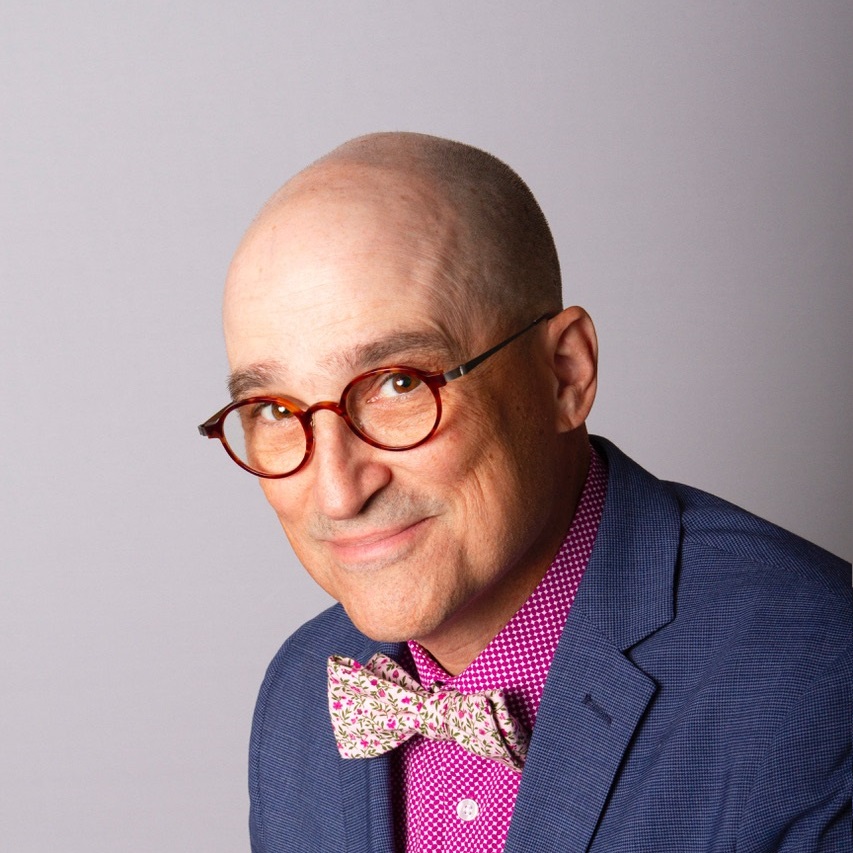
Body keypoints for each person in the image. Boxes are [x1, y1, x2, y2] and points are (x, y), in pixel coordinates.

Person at [199, 132, 852, 853]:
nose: (336, 491)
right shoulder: (299, 697)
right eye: (275, 410)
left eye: (399, 383)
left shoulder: (819, 679)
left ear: (564, 374)